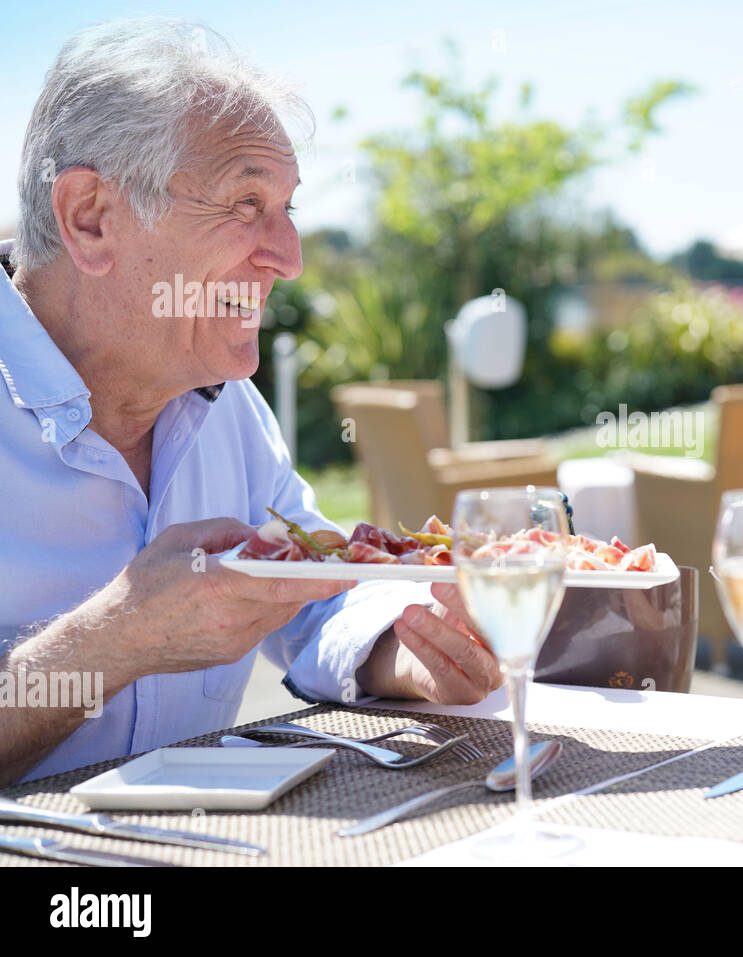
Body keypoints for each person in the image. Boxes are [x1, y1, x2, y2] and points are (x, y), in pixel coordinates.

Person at [0, 19, 500, 785]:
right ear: (90, 217)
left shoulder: (225, 406)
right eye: (244, 204)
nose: (289, 258)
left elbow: (313, 598)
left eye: (287, 207)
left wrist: (410, 650)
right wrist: (116, 638)